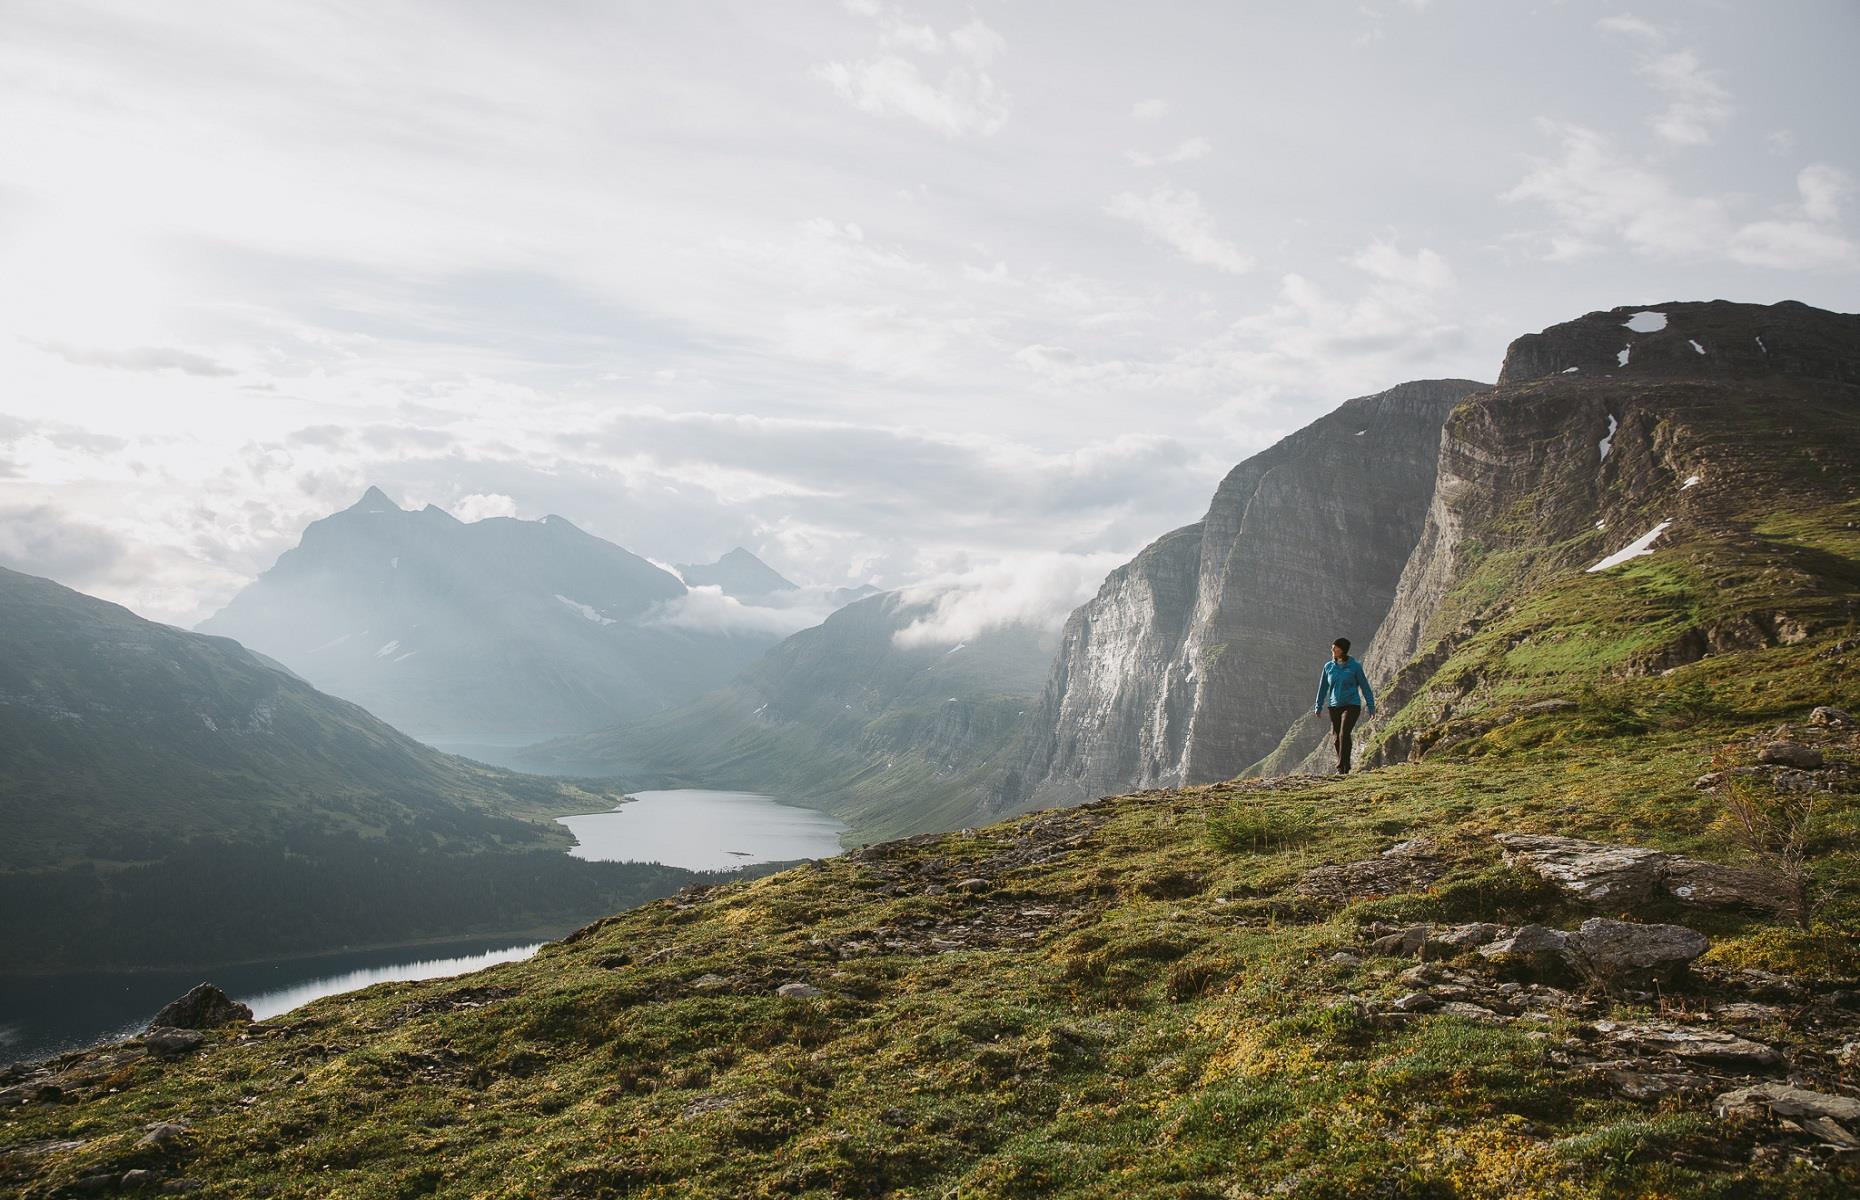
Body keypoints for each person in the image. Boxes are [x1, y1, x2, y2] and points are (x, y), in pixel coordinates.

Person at [1313, 637, 1375, 773]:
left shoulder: (1355, 667)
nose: (1332, 650)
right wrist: (1318, 706)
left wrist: (1371, 707)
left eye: (1335, 647)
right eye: (1332, 647)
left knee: (1344, 733)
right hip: (1334, 705)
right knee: (1336, 738)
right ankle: (1346, 766)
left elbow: (1365, 687)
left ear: (1343, 650)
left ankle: (1341, 767)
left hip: (1352, 705)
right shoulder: (1328, 666)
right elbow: (1323, 687)